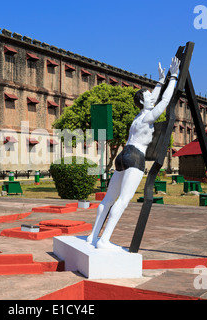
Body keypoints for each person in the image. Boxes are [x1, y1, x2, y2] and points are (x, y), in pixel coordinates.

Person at [87, 56, 181, 249]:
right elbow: (163, 100)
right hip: (136, 157)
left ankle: (93, 236)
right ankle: (103, 240)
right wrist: (173, 77)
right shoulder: (148, 118)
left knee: (108, 199)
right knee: (122, 200)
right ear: (144, 101)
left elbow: (152, 98)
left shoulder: (138, 118)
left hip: (123, 156)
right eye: (147, 96)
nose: (150, 97)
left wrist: (160, 81)